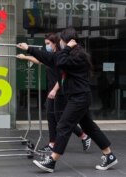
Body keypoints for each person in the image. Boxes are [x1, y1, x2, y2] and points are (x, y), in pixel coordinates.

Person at [17, 27, 118, 173]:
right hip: (77, 97)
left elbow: (60, 62)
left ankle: (51, 161)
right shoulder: (66, 55)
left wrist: (66, 49)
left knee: (63, 125)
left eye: (62, 42)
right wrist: (29, 49)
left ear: (68, 42)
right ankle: (109, 155)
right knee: (89, 127)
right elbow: (49, 58)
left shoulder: (78, 57)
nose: (61, 44)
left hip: (80, 97)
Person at [17, 33, 91, 152]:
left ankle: (81, 136)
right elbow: (39, 60)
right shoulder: (53, 55)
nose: (46, 46)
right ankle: (55, 143)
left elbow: (62, 76)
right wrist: (25, 57)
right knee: (53, 117)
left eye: (48, 44)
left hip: (59, 91)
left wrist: (55, 90)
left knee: (60, 118)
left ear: (55, 43)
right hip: (53, 90)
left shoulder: (60, 57)